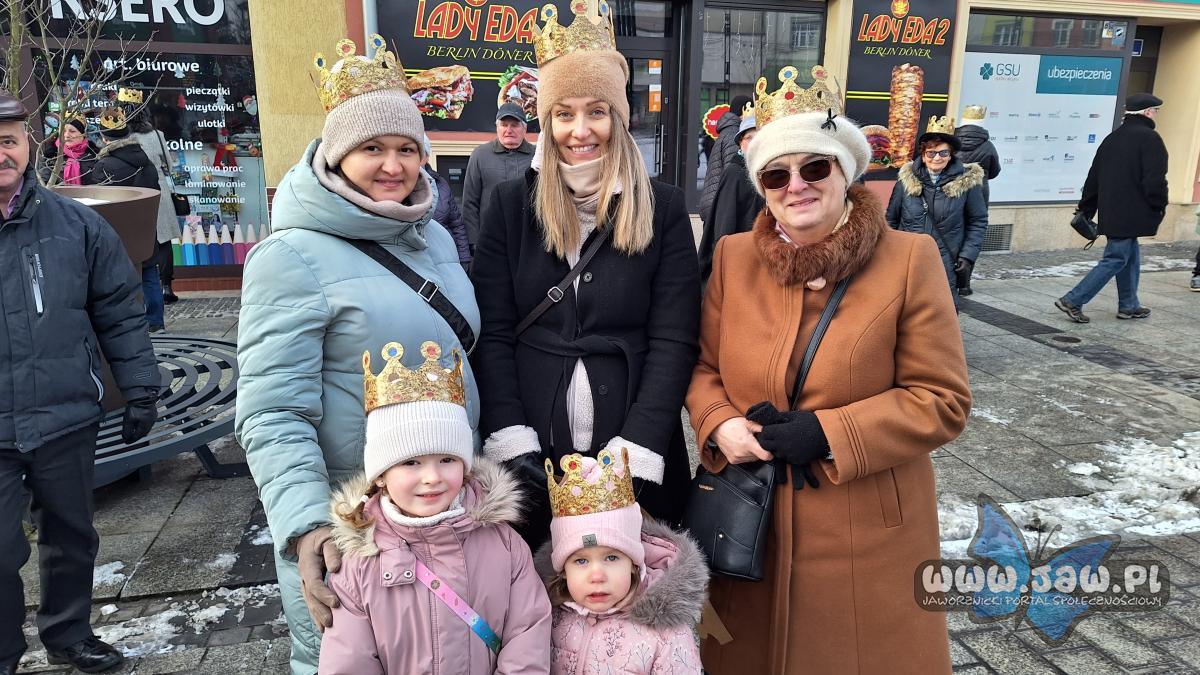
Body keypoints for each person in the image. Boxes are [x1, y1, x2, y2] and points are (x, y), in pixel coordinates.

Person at [685, 65, 970, 673]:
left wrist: (828, 433)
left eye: (815, 167)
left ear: (845, 171)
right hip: (751, 523)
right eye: (776, 174)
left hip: (864, 531)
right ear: (761, 187)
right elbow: (704, 367)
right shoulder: (734, 257)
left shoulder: (909, 258)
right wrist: (719, 423)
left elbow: (942, 400)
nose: (797, 186)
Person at [234, 35, 479, 675]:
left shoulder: (432, 240)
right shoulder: (289, 257)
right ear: (338, 154)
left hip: (441, 510)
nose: (393, 165)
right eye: (372, 148)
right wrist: (308, 525)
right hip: (354, 531)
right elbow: (271, 411)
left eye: (406, 148)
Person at [470, 4, 700, 551]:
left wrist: (638, 446)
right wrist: (512, 438)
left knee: (633, 582)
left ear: (619, 117)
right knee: (535, 584)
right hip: (535, 442)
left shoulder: (664, 206)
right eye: (563, 113)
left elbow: (674, 337)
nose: (580, 131)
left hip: (635, 435)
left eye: (597, 111)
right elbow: (493, 331)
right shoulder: (509, 205)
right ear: (546, 121)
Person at [0, 91, 159, 675]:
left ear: (28, 144)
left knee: (71, 536)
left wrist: (139, 387)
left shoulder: (76, 225)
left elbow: (119, 310)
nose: (1, 154)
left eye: (8, 140)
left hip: (64, 414)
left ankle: (69, 634)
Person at [318, 342, 551, 674]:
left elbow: (528, 632)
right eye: (411, 462)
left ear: (465, 466)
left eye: (447, 459)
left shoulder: (505, 544)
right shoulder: (358, 564)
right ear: (380, 475)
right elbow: (349, 661)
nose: (432, 477)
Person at [536, 449, 706, 674]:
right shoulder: (546, 617)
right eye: (581, 561)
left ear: (634, 564)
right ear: (563, 570)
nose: (597, 575)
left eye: (611, 557)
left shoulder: (666, 634)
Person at [1056, 93, 1168, 323]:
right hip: (1133, 212)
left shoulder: (1112, 138)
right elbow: (1155, 180)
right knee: (1116, 258)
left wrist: (1086, 207)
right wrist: (1159, 205)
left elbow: (1093, 177)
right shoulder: (1150, 138)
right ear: (1148, 112)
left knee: (1130, 256)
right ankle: (1073, 300)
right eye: (1156, 111)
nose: (1156, 114)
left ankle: (1129, 305)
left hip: (1112, 211)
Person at [886, 115, 988, 309]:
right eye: (931, 153)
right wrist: (888, 253)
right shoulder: (906, 182)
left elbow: (978, 221)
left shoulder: (966, 183)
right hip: (908, 259)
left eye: (943, 153)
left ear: (951, 155)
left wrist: (967, 256)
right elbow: (890, 219)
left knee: (942, 309)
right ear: (924, 155)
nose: (937, 158)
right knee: (905, 307)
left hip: (946, 260)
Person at [90, 106, 167, 332]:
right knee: (149, 274)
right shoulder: (145, 160)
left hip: (117, 231)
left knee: (120, 280)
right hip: (145, 227)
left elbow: (100, 203)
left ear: (104, 138)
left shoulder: (104, 166)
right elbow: (155, 191)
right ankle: (156, 321)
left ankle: (131, 323)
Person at [698, 103, 764, 282]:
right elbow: (725, 222)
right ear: (740, 143)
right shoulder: (735, 172)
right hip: (739, 257)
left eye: (759, 138)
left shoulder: (767, 171)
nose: (754, 143)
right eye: (749, 138)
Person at [462, 102, 534, 256]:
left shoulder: (537, 157)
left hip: (528, 242)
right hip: (490, 241)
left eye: (514, 125)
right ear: (497, 127)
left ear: (525, 128)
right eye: (504, 125)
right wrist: (474, 242)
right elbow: (470, 202)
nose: (509, 130)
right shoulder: (480, 155)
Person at [129, 110, 182, 305]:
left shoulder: (126, 138)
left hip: (135, 190)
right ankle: (166, 286)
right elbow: (169, 164)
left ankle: (144, 288)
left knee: (141, 239)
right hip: (159, 188)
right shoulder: (157, 135)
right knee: (164, 240)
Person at [954, 105, 1000, 296]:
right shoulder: (988, 146)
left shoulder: (952, 142)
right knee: (973, 233)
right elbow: (995, 171)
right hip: (979, 191)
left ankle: (950, 277)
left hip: (954, 191)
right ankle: (964, 284)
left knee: (953, 232)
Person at [698, 94, 752, 227]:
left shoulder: (727, 131)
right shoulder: (734, 135)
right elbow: (733, 176)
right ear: (744, 110)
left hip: (715, 204)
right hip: (720, 208)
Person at [422, 136, 471, 267]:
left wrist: (464, 259)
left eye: (420, 152)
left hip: (446, 258)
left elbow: (457, 224)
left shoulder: (441, 184)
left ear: (427, 157)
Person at [40, 116, 99, 185]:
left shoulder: (94, 154)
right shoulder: (50, 155)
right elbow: (43, 182)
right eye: (64, 131)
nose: (67, 135)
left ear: (83, 134)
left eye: (72, 131)